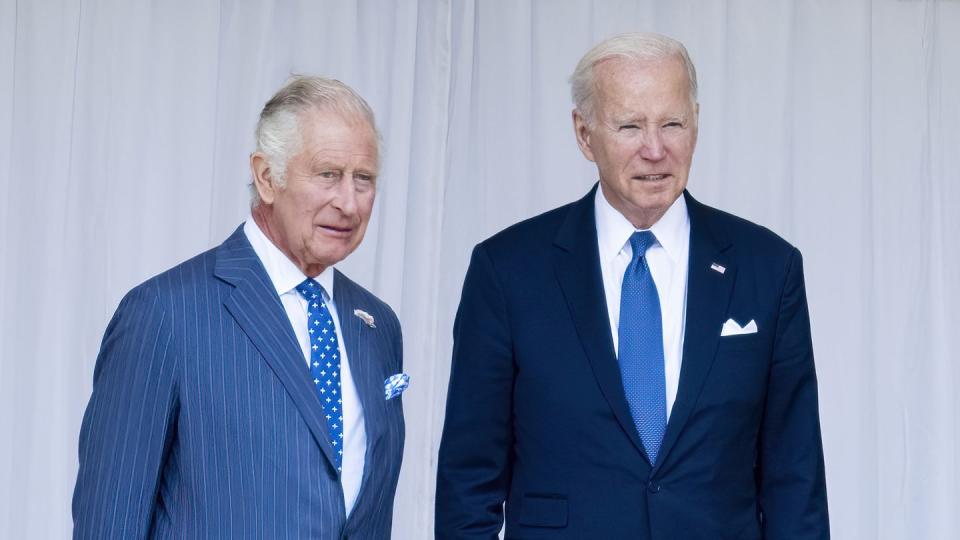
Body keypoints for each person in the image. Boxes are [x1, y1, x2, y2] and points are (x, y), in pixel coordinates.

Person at [436, 32, 828, 539]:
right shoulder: (507, 270)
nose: (655, 149)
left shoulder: (768, 268)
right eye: (629, 126)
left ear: (696, 124)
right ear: (584, 134)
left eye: (672, 123)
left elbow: (795, 479)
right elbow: (469, 481)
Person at [73, 75, 406, 539]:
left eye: (364, 179)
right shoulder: (164, 314)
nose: (348, 202)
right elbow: (109, 523)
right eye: (328, 174)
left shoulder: (377, 325)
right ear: (267, 176)